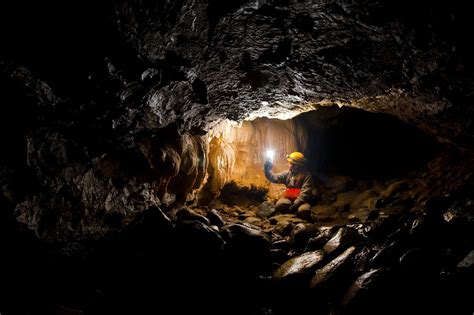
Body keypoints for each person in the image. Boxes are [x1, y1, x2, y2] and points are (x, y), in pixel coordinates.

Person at [263, 151, 314, 219]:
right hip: (290, 198)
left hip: (302, 200)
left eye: (290, 163)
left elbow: (305, 193)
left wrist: (295, 204)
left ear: (296, 166)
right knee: (279, 205)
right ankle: (291, 215)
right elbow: (274, 178)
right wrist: (267, 169)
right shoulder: (287, 173)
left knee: (303, 211)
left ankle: (299, 216)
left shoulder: (306, 175)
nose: (288, 164)